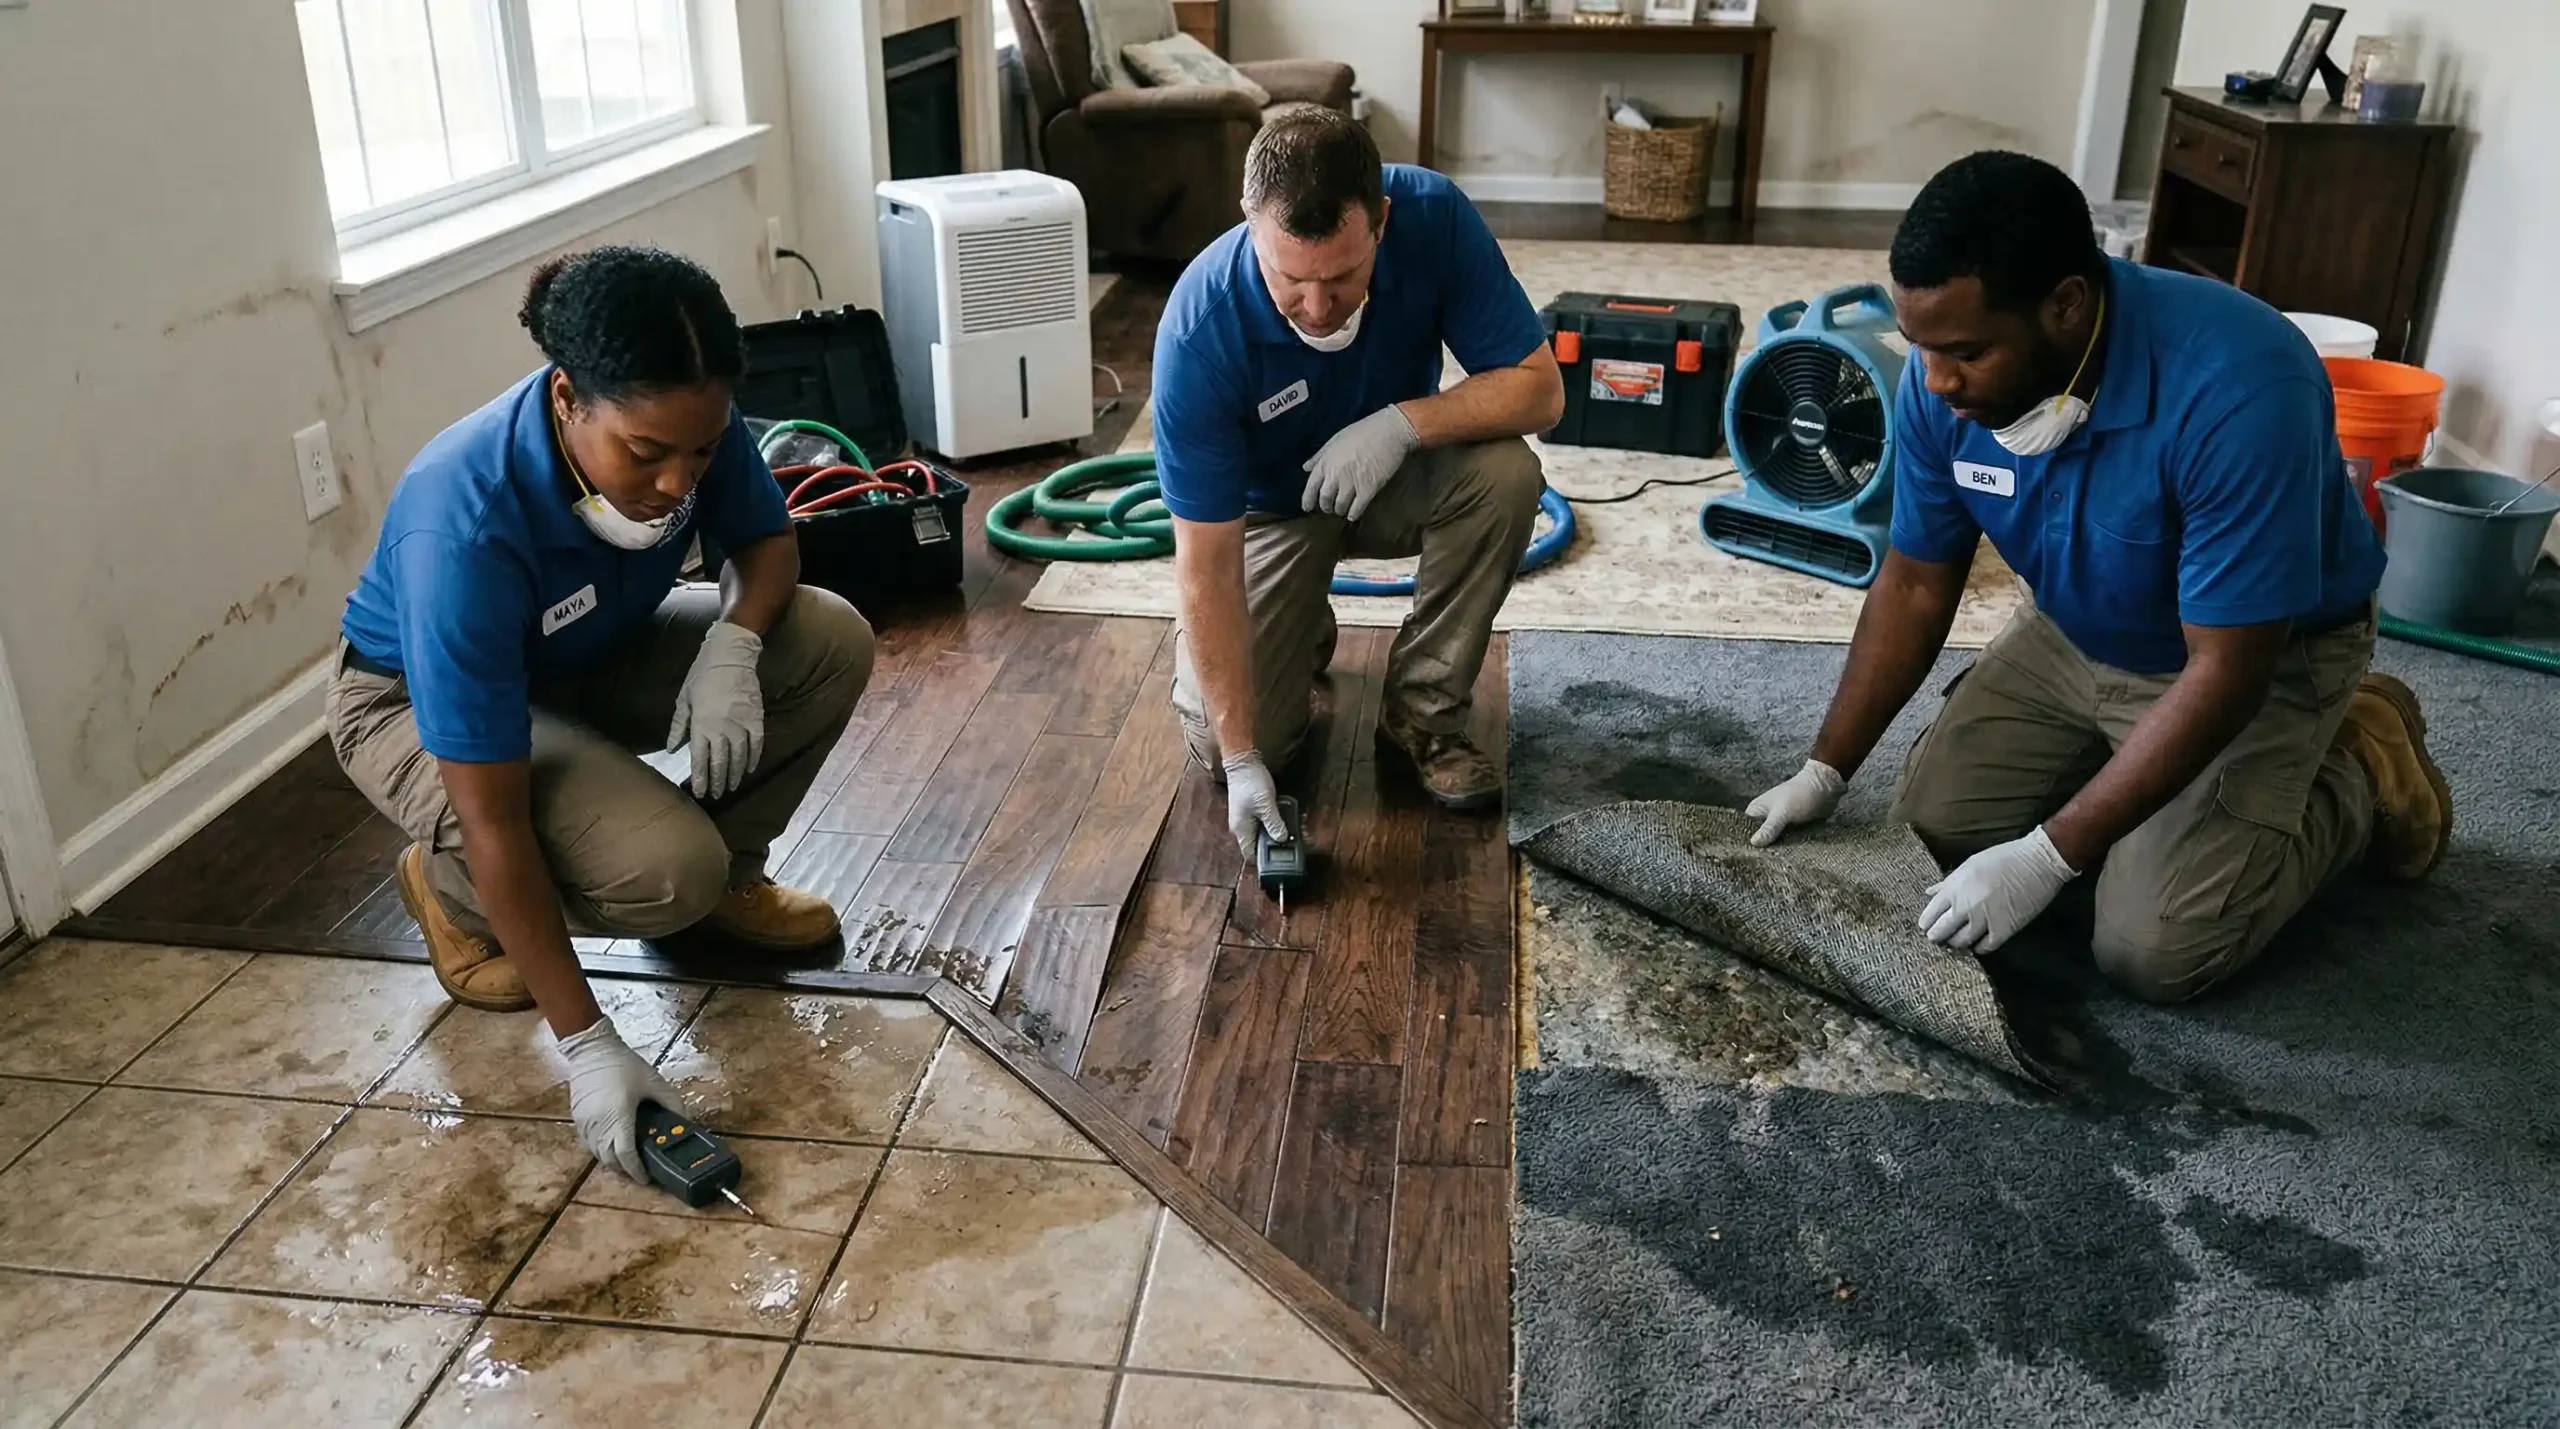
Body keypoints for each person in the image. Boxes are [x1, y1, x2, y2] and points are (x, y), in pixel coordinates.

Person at [1744, 151, 2453, 1004]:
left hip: (2253, 654)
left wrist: (2051, 853)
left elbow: (2227, 670)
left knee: (2153, 950)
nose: (1934, 382)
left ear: (2067, 306)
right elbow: (1916, 582)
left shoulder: (2242, 386)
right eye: (1920, 347)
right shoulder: (1944, 381)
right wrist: (1826, 769)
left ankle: (2361, 764)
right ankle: (2131, 783)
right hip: (2075, 626)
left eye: (1966, 351)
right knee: (1925, 843)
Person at [330, 245, 874, 1178]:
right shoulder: (461, 525)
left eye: (698, 452)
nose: (675, 481)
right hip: (410, 704)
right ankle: (448, 893)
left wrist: (736, 644)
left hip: (590, 648)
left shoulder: (690, 407)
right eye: (646, 454)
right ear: (566, 398)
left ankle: (727, 884)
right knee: (665, 871)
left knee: (828, 637)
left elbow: (766, 542)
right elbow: (493, 813)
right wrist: (586, 1043)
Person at [1150, 103, 1565, 859]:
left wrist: (1400, 425)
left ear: (1381, 218)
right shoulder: (1197, 330)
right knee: (1226, 748)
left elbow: (1542, 392)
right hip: (1269, 512)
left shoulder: (1435, 218)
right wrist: (1244, 760)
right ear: (1249, 220)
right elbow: (1205, 569)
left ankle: (1422, 714)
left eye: (1342, 277)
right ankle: (1298, 627)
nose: (1315, 307)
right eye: (1290, 278)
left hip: (1394, 472)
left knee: (1508, 473)